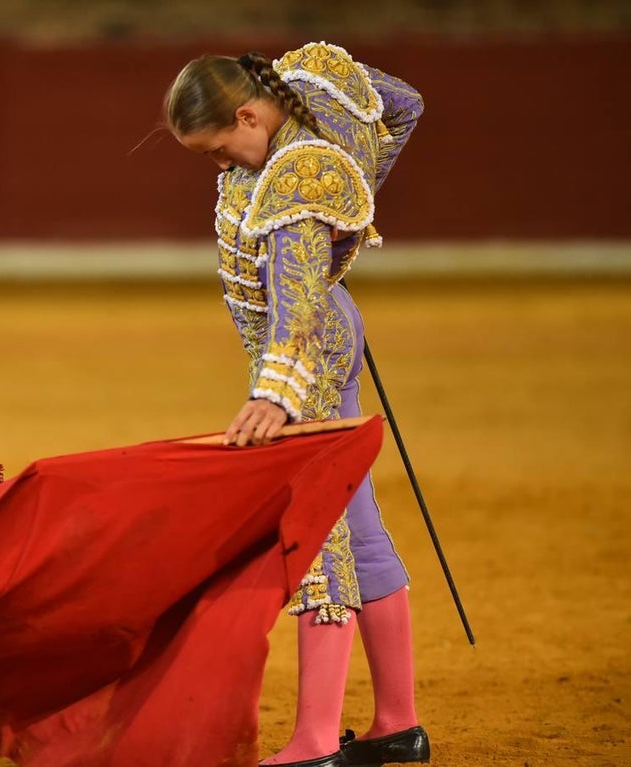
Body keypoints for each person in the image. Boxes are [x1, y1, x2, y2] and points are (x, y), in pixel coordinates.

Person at [164, 42, 429, 767]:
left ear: (249, 114)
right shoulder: (307, 109)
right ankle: (398, 724)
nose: (223, 166)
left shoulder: (297, 171)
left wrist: (277, 391)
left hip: (307, 348)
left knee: (317, 534)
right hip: (329, 328)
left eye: (222, 149)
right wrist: (356, 200)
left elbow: (297, 306)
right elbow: (402, 103)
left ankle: (315, 741)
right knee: (357, 523)